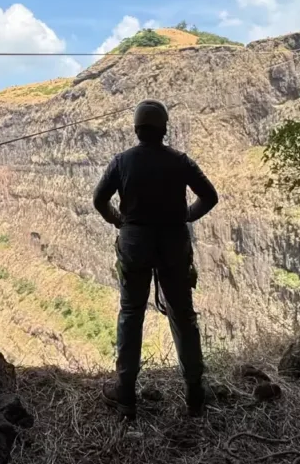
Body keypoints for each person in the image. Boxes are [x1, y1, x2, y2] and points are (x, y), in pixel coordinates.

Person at [93, 99, 219, 418]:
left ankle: (125, 396)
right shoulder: (180, 161)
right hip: (174, 243)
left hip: (134, 242)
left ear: (136, 130)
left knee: (131, 313)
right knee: (183, 316)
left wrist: (119, 220)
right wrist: (186, 216)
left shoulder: (122, 162)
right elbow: (210, 196)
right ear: (164, 129)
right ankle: (194, 395)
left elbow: (99, 200)